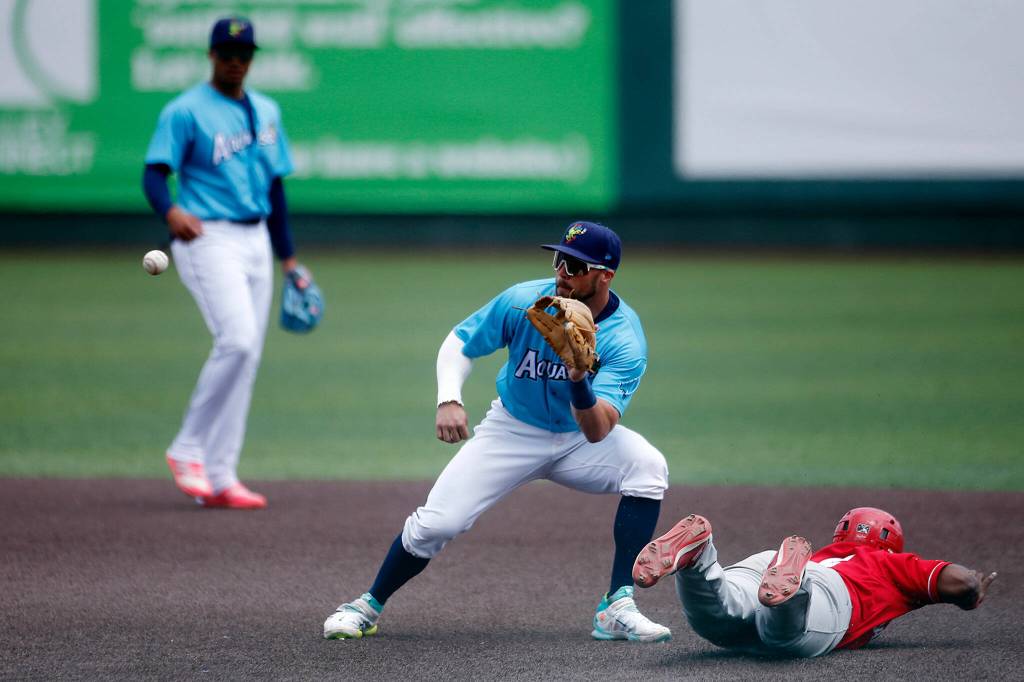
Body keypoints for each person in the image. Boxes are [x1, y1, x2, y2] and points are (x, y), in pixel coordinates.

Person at [323, 221, 672, 642]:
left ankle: (616, 605)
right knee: (436, 525)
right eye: (560, 259)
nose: (563, 272)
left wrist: (579, 376)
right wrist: (449, 398)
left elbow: (598, 431)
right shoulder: (524, 301)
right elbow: (459, 341)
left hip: (578, 440)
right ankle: (366, 605)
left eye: (576, 266)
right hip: (512, 430)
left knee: (648, 466)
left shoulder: (624, 338)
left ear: (605, 275)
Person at [142, 17, 314, 510]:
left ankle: (220, 476)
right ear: (212, 55)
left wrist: (290, 261)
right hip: (207, 237)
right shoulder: (185, 111)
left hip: (257, 238)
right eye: (227, 52)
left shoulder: (266, 110)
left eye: (244, 53)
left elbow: (275, 187)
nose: (235, 61)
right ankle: (188, 446)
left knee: (248, 358)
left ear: (252, 58)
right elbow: (154, 175)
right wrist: (171, 211)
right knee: (236, 341)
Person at [633, 507, 998, 657]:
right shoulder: (890, 562)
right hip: (831, 591)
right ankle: (795, 592)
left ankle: (700, 558)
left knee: (720, 614)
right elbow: (960, 581)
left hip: (770, 565)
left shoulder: (827, 552)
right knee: (784, 636)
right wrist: (972, 592)